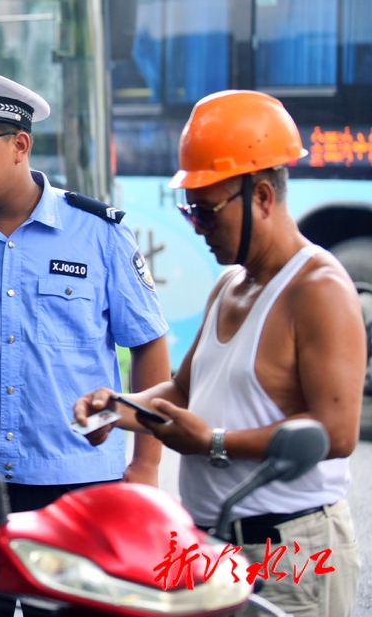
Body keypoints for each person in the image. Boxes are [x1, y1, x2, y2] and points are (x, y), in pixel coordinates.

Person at [0, 65, 171, 617]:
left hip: (81, 483)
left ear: (20, 144)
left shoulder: (99, 234)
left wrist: (145, 466)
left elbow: (149, 347)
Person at [74, 90, 364, 617]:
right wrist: (120, 408)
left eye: (206, 213)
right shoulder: (230, 283)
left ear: (263, 198)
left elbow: (337, 433)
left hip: (289, 551)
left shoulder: (319, 288)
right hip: (214, 543)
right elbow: (186, 392)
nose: (198, 228)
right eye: (191, 213)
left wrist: (213, 443)